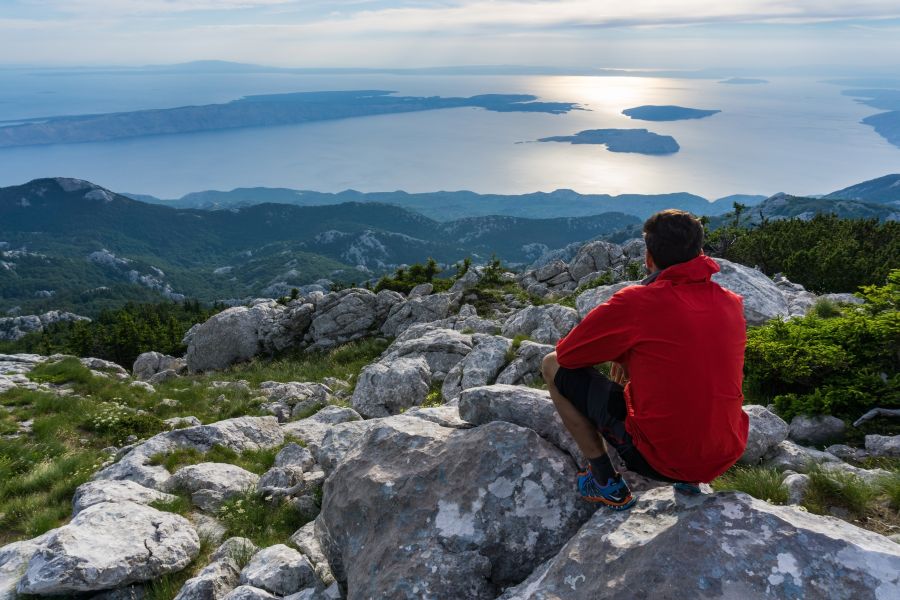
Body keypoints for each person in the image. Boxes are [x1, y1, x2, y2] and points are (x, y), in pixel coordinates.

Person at [541, 209, 748, 510]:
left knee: (551, 364)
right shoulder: (730, 302)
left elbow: (569, 355)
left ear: (649, 259)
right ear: (700, 253)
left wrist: (619, 349)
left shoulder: (637, 302)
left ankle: (606, 483)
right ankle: (689, 481)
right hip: (724, 452)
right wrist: (626, 355)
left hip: (662, 460)